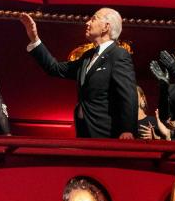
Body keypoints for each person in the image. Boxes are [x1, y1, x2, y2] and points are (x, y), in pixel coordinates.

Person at [19, 10, 136, 139]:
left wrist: (127, 129)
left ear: (106, 27)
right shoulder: (87, 56)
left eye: (93, 19)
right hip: (84, 130)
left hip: (105, 132)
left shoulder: (118, 54)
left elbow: (127, 93)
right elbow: (54, 68)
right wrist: (34, 39)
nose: (87, 22)